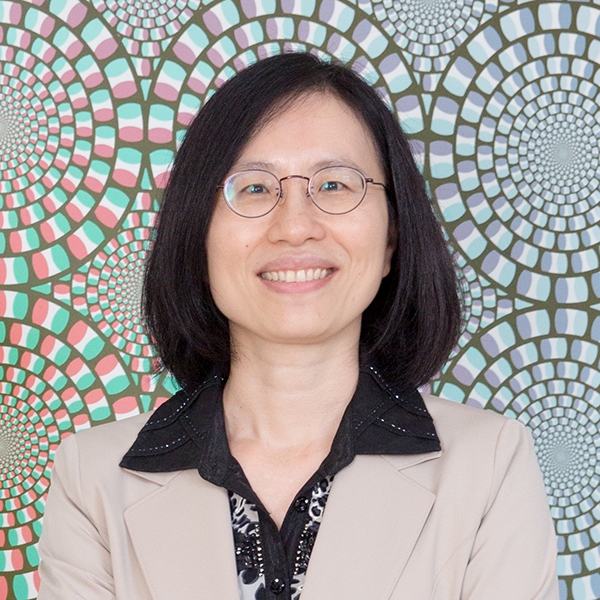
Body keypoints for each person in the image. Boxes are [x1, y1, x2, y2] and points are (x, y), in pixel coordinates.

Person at [38, 52, 559, 600]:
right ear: (198, 235)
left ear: (390, 238)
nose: (294, 227)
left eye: (334, 185)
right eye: (254, 188)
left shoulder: (488, 465)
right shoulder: (93, 479)